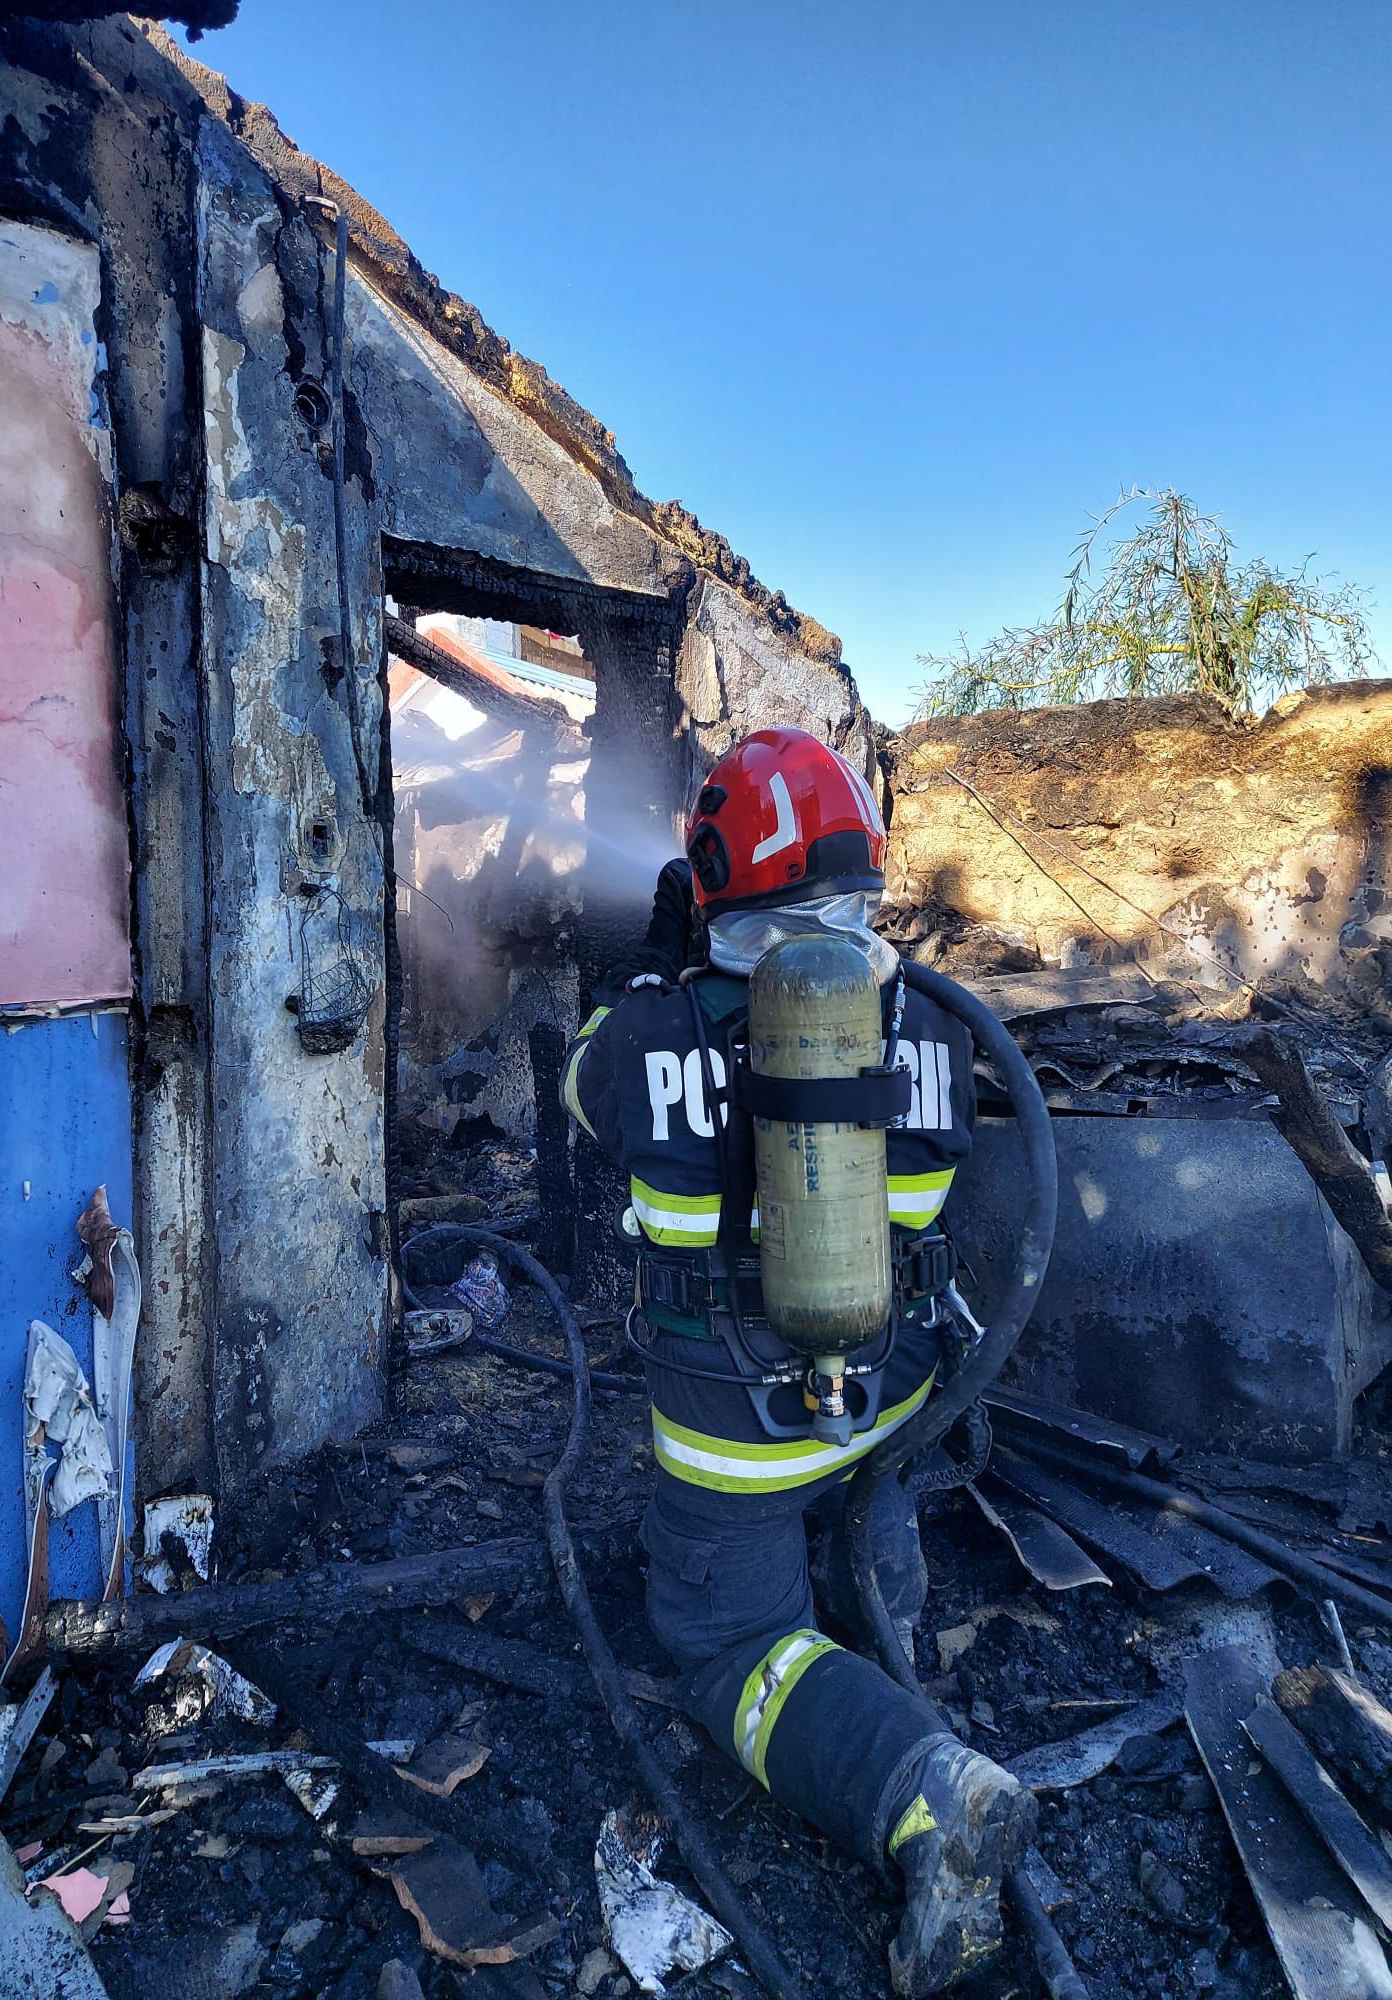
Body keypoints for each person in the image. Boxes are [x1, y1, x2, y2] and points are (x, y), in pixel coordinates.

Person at [560, 727, 1035, 1996]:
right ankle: (886, 1601)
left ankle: (923, 1793)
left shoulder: (646, 1031)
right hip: (892, 1396)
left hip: (737, 1438)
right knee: (866, 1496)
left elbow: (582, 1092)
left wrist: (651, 968)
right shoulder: (937, 1026)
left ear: (715, 872)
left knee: (725, 1641)